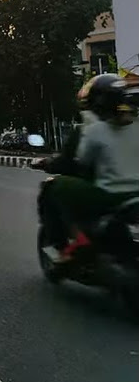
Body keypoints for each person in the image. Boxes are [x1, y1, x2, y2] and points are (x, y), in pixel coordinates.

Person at [44, 74, 139, 259]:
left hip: (110, 194)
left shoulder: (94, 130)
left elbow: (81, 162)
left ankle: (76, 240)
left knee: (54, 187)